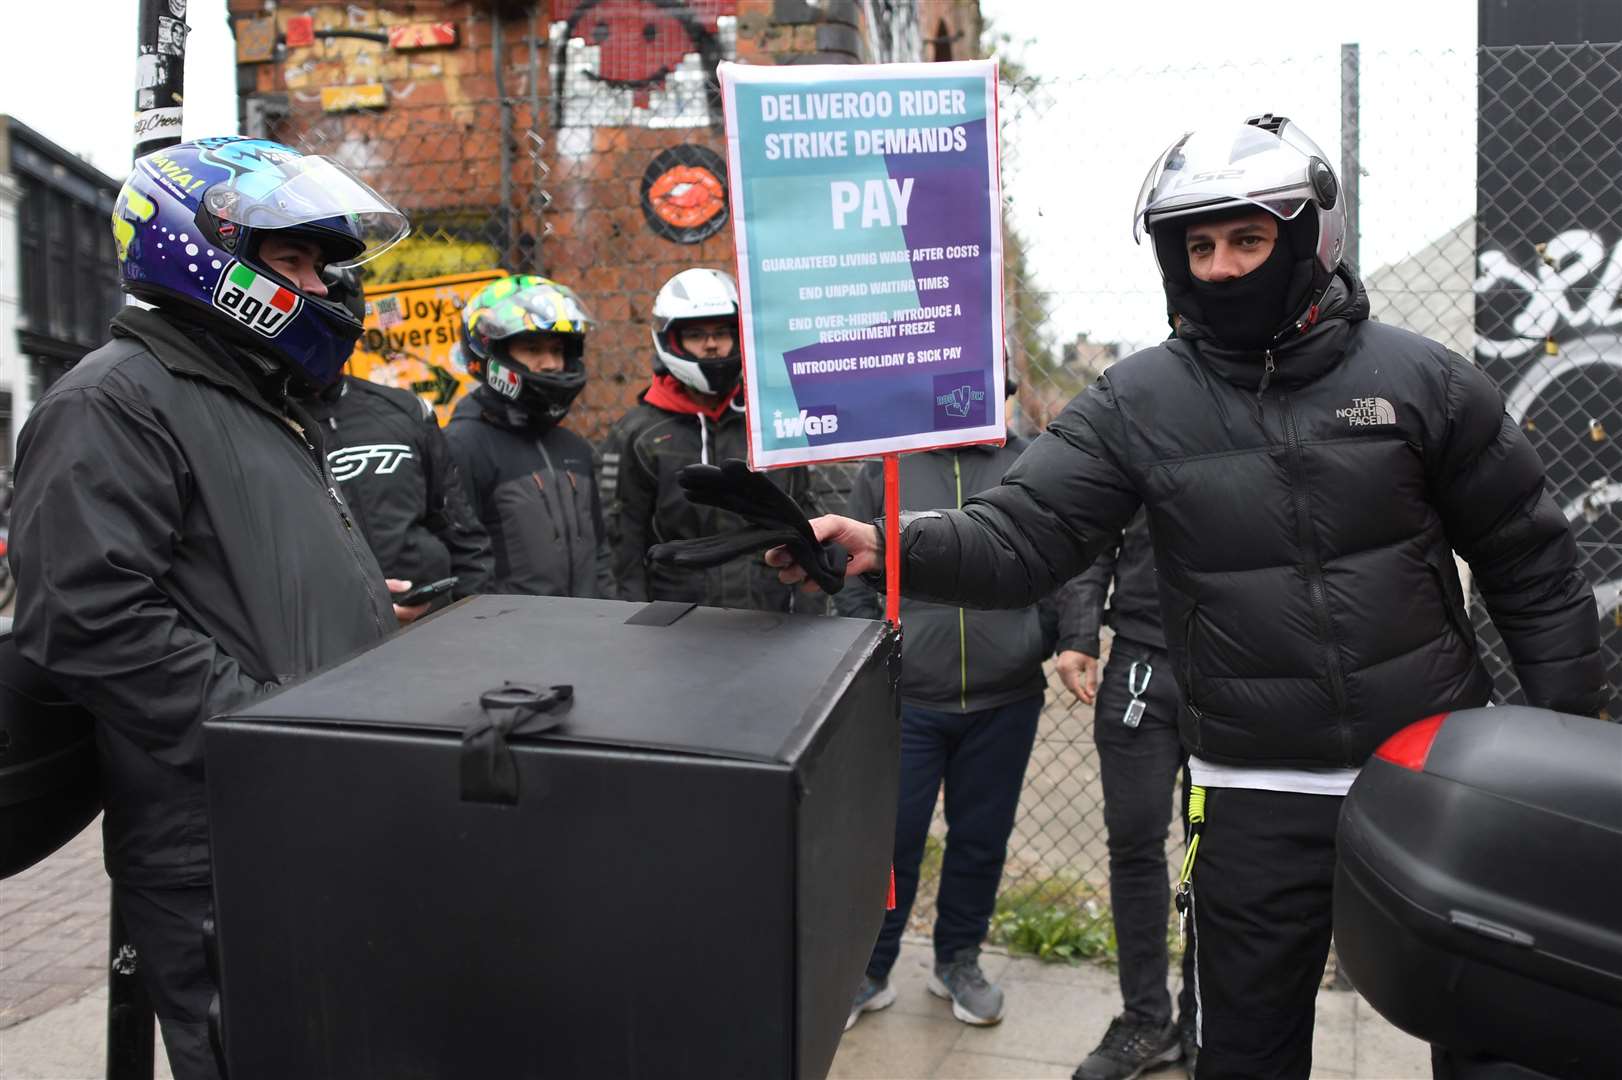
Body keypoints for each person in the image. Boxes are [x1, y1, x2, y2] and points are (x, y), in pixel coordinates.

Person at [768, 114, 1606, 1079]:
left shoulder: (1424, 381)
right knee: (1242, 1050)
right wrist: (886, 548)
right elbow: (1022, 534)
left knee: (1500, 1040)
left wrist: (1556, 744)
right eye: (1196, 246)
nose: (1219, 267)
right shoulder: (1136, 401)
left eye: (1246, 239)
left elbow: (1531, 565)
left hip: (1434, 776)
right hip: (1252, 789)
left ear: (1306, 238)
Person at [8, 136, 410, 1080]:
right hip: (222, 841)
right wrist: (269, 735)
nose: (318, 285)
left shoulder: (253, 395)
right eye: (293, 260)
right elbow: (87, 617)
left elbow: (234, 578)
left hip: (309, 807)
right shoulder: (113, 400)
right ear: (207, 251)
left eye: (321, 262)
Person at [838, 384, 1056, 1031]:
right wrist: (872, 656)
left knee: (980, 840)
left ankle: (957, 961)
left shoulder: (1033, 464)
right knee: (891, 840)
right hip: (909, 699)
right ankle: (869, 969)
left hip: (1004, 696)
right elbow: (851, 574)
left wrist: (1037, 638)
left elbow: (1062, 558)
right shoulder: (887, 467)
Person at [1056, 509, 1197, 1078]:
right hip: (1141, 665)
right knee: (1135, 846)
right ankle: (1145, 1020)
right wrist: (1079, 634)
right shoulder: (1139, 423)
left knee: (1219, 857)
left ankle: (1204, 1021)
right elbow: (1091, 536)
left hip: (1241, 669)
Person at [600, 268, 823, 612]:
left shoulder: (770, 419)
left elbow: (805, 519)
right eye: (695, 334)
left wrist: (811, 611)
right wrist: (633, 628)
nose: (712, 344)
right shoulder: (638, 433)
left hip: (767, 611)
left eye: (721, 331)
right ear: (671, 340)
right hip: (676, 618)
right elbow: (621, 544)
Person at [444, 274, 612, 598]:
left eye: (556, 349)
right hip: (511, 639)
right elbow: (463, 566)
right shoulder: (462, 446)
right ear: (493, 353)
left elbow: (601, 558)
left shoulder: (574, 448)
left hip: (590, 634)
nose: (550, 364)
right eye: (532, 348)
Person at [303, 368, 495, 618]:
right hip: (336, 634)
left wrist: (475, 619)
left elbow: (463, 533)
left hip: (437, 623)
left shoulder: (405, 408)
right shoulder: (255, 423)